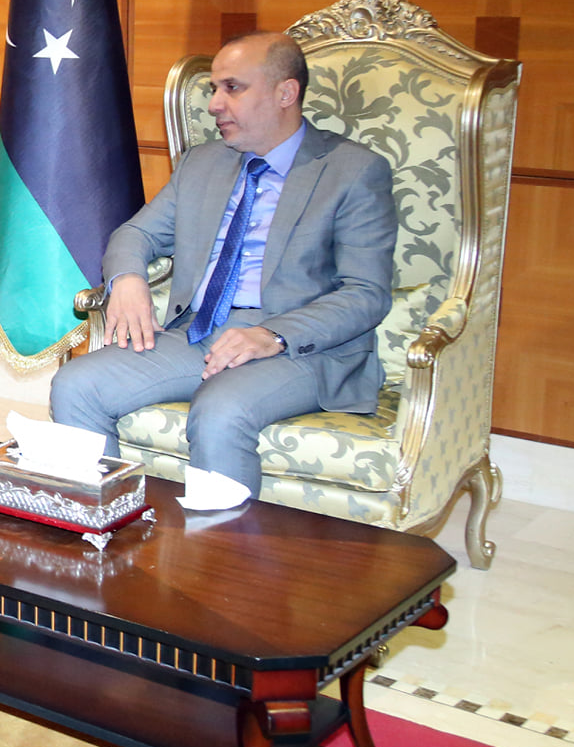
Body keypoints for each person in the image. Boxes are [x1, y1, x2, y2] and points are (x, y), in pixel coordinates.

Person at [49, 32, 397, 495]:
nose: (214, 104)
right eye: (214, 88)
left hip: (300, 350)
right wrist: (128, 278)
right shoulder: (202, 163)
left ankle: (220, 543)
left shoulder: (352, 171)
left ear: (285, 93)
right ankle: (102, 521)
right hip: (199, 333)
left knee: (220, 410)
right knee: (76, 384)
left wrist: (273, 334)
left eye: (232, 88)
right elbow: (135, 234)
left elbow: (366, 293)